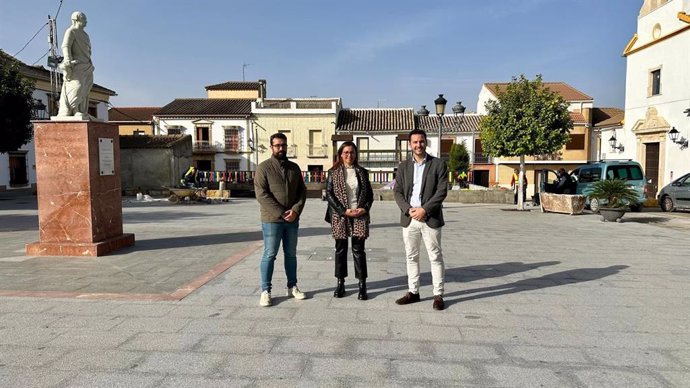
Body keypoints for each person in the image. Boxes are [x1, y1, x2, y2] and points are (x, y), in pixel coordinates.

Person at [393, 129, 449, 311]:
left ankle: (438, 295)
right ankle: (413, 292)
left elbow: (442, 191)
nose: (418, 145)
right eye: (415, 142)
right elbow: (398, 191)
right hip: (410, 218)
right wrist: (409, 210)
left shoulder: (438, 164)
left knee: (435, 256)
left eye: (421, 141)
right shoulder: (403, 166)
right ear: (410, 144)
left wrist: (424, 209)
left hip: (429, 218)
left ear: (426, 143)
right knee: (411, 256)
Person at [254, 133, 307, 307]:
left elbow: (302, 192)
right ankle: (265, 290)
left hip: (292, 220)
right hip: (271, 220)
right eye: (277, 145)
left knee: (291, 255)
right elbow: (261, 194)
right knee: (270, 254)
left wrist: (296, 211)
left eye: (283, 145)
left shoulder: (294, 168)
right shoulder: (263, 168)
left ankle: (292, 286)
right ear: (271, 147)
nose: (281, 148)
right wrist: (280, 212)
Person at [324, 142, 374, 300]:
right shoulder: (333, 172)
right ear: (340, 154)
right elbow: (330, 195)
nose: (349, 155)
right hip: (340, 216)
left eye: (352, 152)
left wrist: (364, 208)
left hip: (359, 215)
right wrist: (343, 210)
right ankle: (340, 283)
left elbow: (370, 195)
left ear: (355, 154)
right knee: (340, 250)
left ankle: (362, 284)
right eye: (345, 152)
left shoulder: (362, 172)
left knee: (359, 251)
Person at [57, 11, 94, 119]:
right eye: (84, 19)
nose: (86, 21)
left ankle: (82, 110)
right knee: (77, 87)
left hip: (87, 65)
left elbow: (88, 50)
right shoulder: (71, 31)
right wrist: (68, 59)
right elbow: (66, 46)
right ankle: (74, 109)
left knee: (85, 88)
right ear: (76, 20)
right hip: (76, 65)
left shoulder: (86, 35)